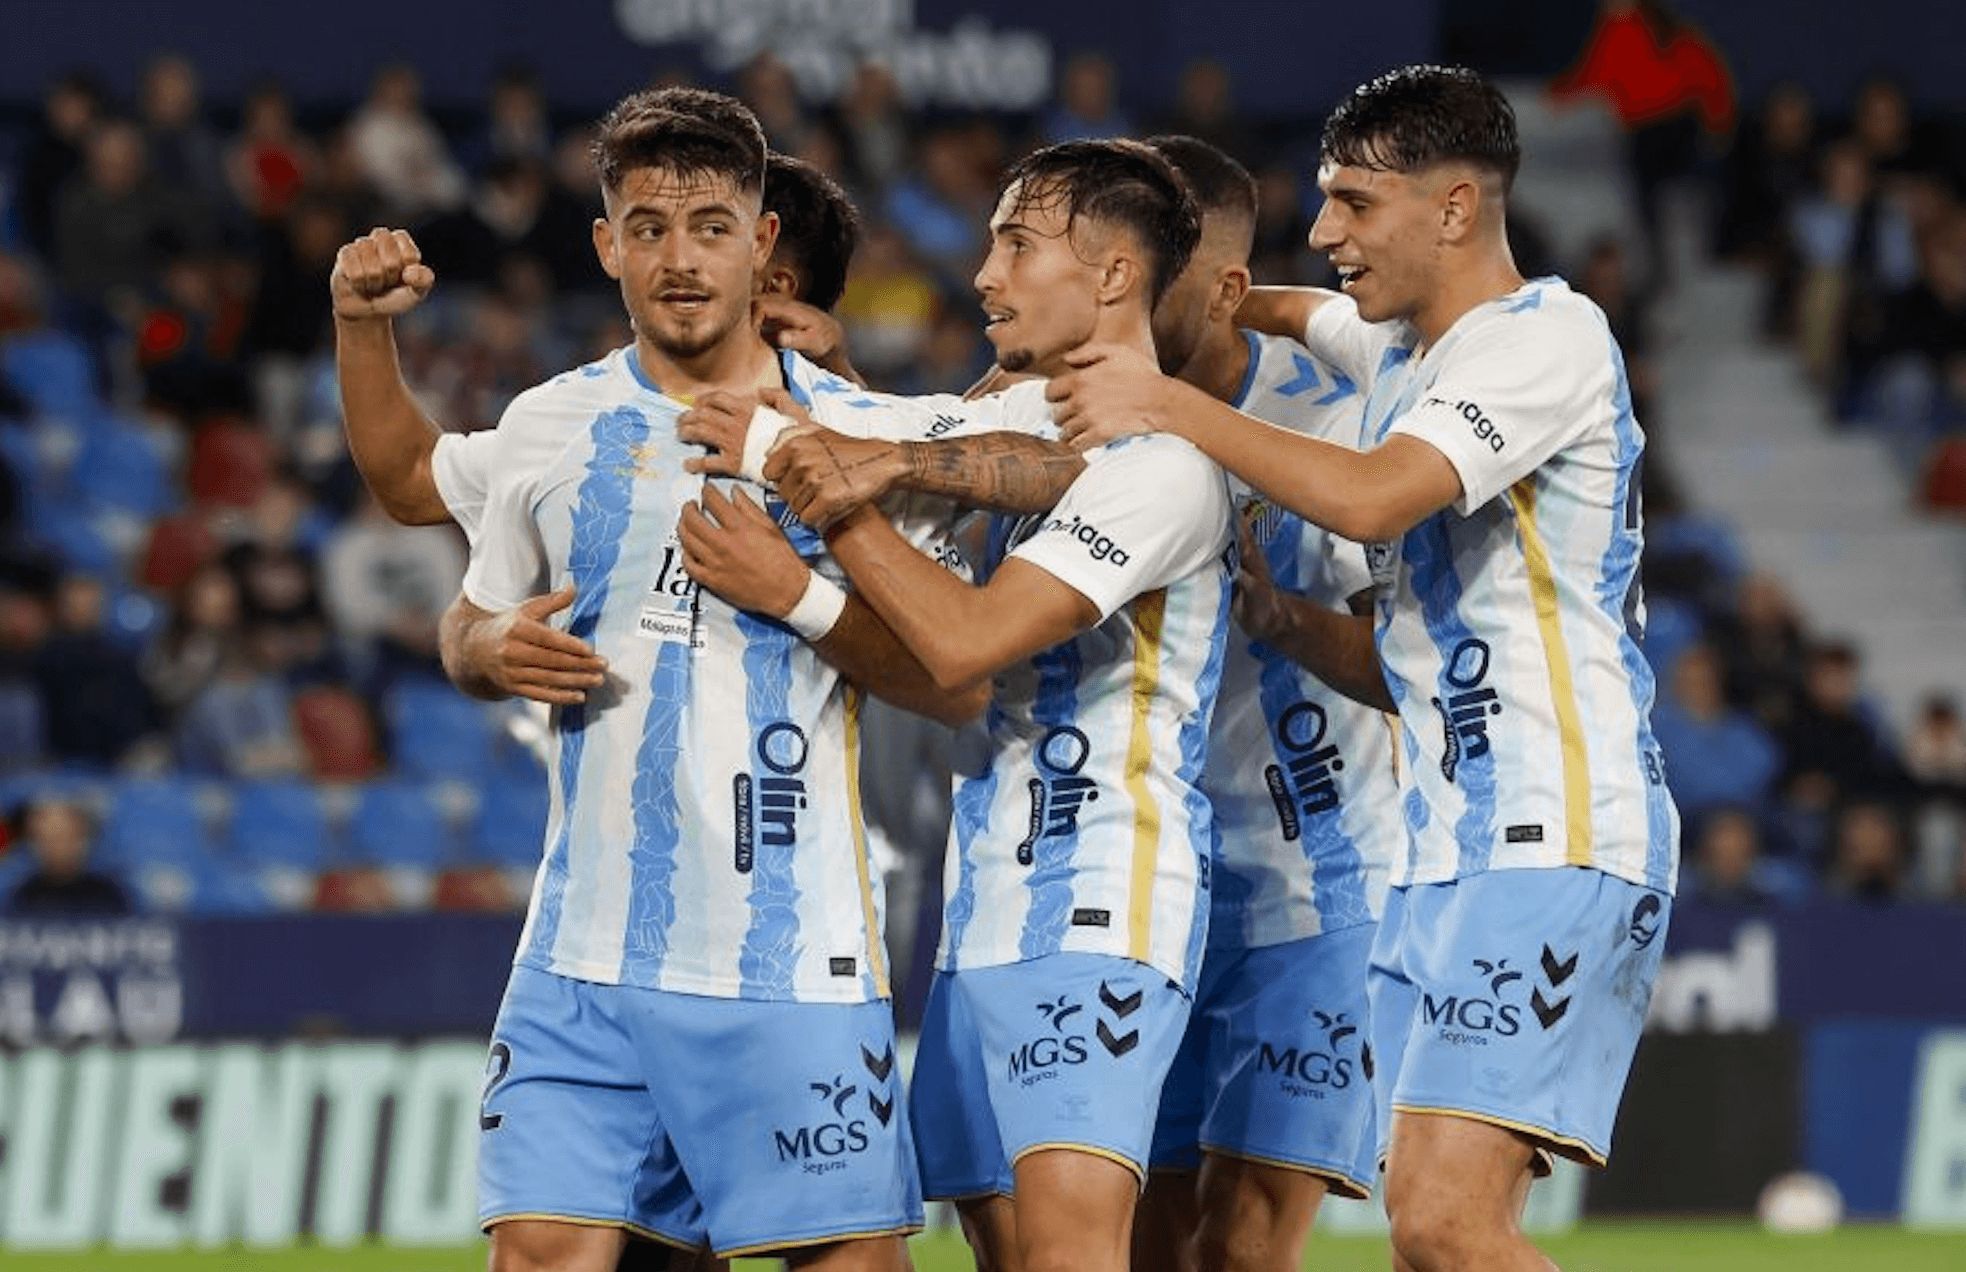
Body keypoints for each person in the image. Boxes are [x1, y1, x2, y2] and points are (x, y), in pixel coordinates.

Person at [1046, 66, 1679, 1272]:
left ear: (1452, 208)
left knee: (1444, 1223)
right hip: (1442, 850)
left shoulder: (1542, 339)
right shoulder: (1402, 347)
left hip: (1558, 828)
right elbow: (1281, 311)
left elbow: (1377, 492)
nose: (1326, 232)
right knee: (1429, 1238)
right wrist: (1281, 618)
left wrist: (1163, 407)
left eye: (1352, 202)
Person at [343, 87, 970, 1271]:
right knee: (537, 1252)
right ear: (605, 245)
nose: (678, 260)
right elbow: (469, 616)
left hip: (788, 959)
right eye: (646, 227)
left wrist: (798, 595)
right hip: (584, 958)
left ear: (763, 244)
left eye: (710, 226)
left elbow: (954, 684)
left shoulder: (860, 439)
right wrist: (477, 653)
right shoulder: (549, 425)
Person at [681, 138, 1225, 1272]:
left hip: (1102, 894)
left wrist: (811, 476)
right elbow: (927, 450)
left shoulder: (1169, 463)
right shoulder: (1024, 420)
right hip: (984, 906)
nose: (981, 273)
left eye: (1015, 244)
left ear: (1115, 277)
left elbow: (965, 640)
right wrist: (827, 399)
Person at [6, 799, 131, 918]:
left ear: (82, 839)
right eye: (47, 840)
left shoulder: (108, 895)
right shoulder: (23, 896)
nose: (56, 847)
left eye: (64, 837)